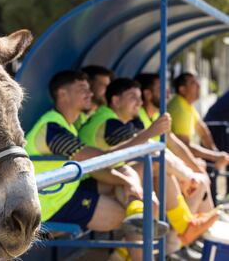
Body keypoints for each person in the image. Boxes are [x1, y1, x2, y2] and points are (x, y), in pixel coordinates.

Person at [25, 71, 165, 261]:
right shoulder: (52, 129)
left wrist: (127, 183)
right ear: (62, 94)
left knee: (137, 191)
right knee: (131, 216)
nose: (90, 94)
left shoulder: (68, 125)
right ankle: (133, 241)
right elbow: (100, 160)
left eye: (90, 90)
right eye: (82, 89)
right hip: (51, 204)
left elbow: (98, 166)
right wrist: (148, 134)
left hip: (69, 191)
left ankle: (137, 214)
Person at [79, 78, 218, 249]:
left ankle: (184, 228)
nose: (139, 102)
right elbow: (147, 146)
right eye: (133, 97)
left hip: (107, 177)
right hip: (89, 184)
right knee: (155, 171)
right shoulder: (109, 123)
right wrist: (187, 176)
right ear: (115, 100)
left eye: (139, 97)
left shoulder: (120, 120)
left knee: (161, 179)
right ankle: (180, 235)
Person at [135, 73, 218, 255]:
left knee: (197, 179)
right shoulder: (139, 117)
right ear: (148, 94)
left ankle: (189, 236)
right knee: (192, 181)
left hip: (151, 174)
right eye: (160, 89)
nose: (167, 92)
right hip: (136, 178)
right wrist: (189, 173)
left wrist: (194, 168)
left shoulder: (157, 115)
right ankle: (182, 240)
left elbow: (176, 144)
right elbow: (173, 146)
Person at [168, 72, 229, 171]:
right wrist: (216, 156)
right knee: (202, 172)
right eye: (193, 83)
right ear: (182, 89)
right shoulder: (180, 109)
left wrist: (216, 152)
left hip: (175, 161)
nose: (199, 85)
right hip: (172, 162)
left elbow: (203, 131)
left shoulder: (187, 105)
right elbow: (185, 146)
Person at [74, 65, 113, 130]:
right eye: (105, 86)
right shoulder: (72, 116)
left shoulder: (101, 117)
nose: (109, 91)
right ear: (88, 84)